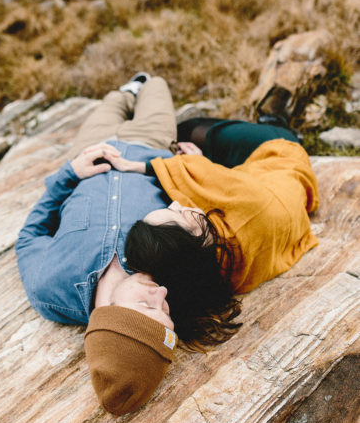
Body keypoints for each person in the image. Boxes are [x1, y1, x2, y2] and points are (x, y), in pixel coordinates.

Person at [16, 74, 180, 415]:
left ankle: (125, 92)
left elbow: (29, 236)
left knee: (112, 102)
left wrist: (69, 174)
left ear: (112, 317)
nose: (162, 294)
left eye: (151, 308)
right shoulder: (167, 267)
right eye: (166, 311)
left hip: (91, 148)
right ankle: (141, 85)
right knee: (158, 84)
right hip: (151, 147)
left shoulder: (50, 289)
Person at [103, 117, 320, 349]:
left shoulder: (209, 278)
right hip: (277, 153)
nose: (177, 205)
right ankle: (280, 124)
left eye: (170, 208)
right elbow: (201, 172)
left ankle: (266, 120)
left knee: (187, 139)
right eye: (178, 214)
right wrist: (138, 166)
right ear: (196, 245)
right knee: (190, 130)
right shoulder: (248, 205)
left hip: (256, 182)